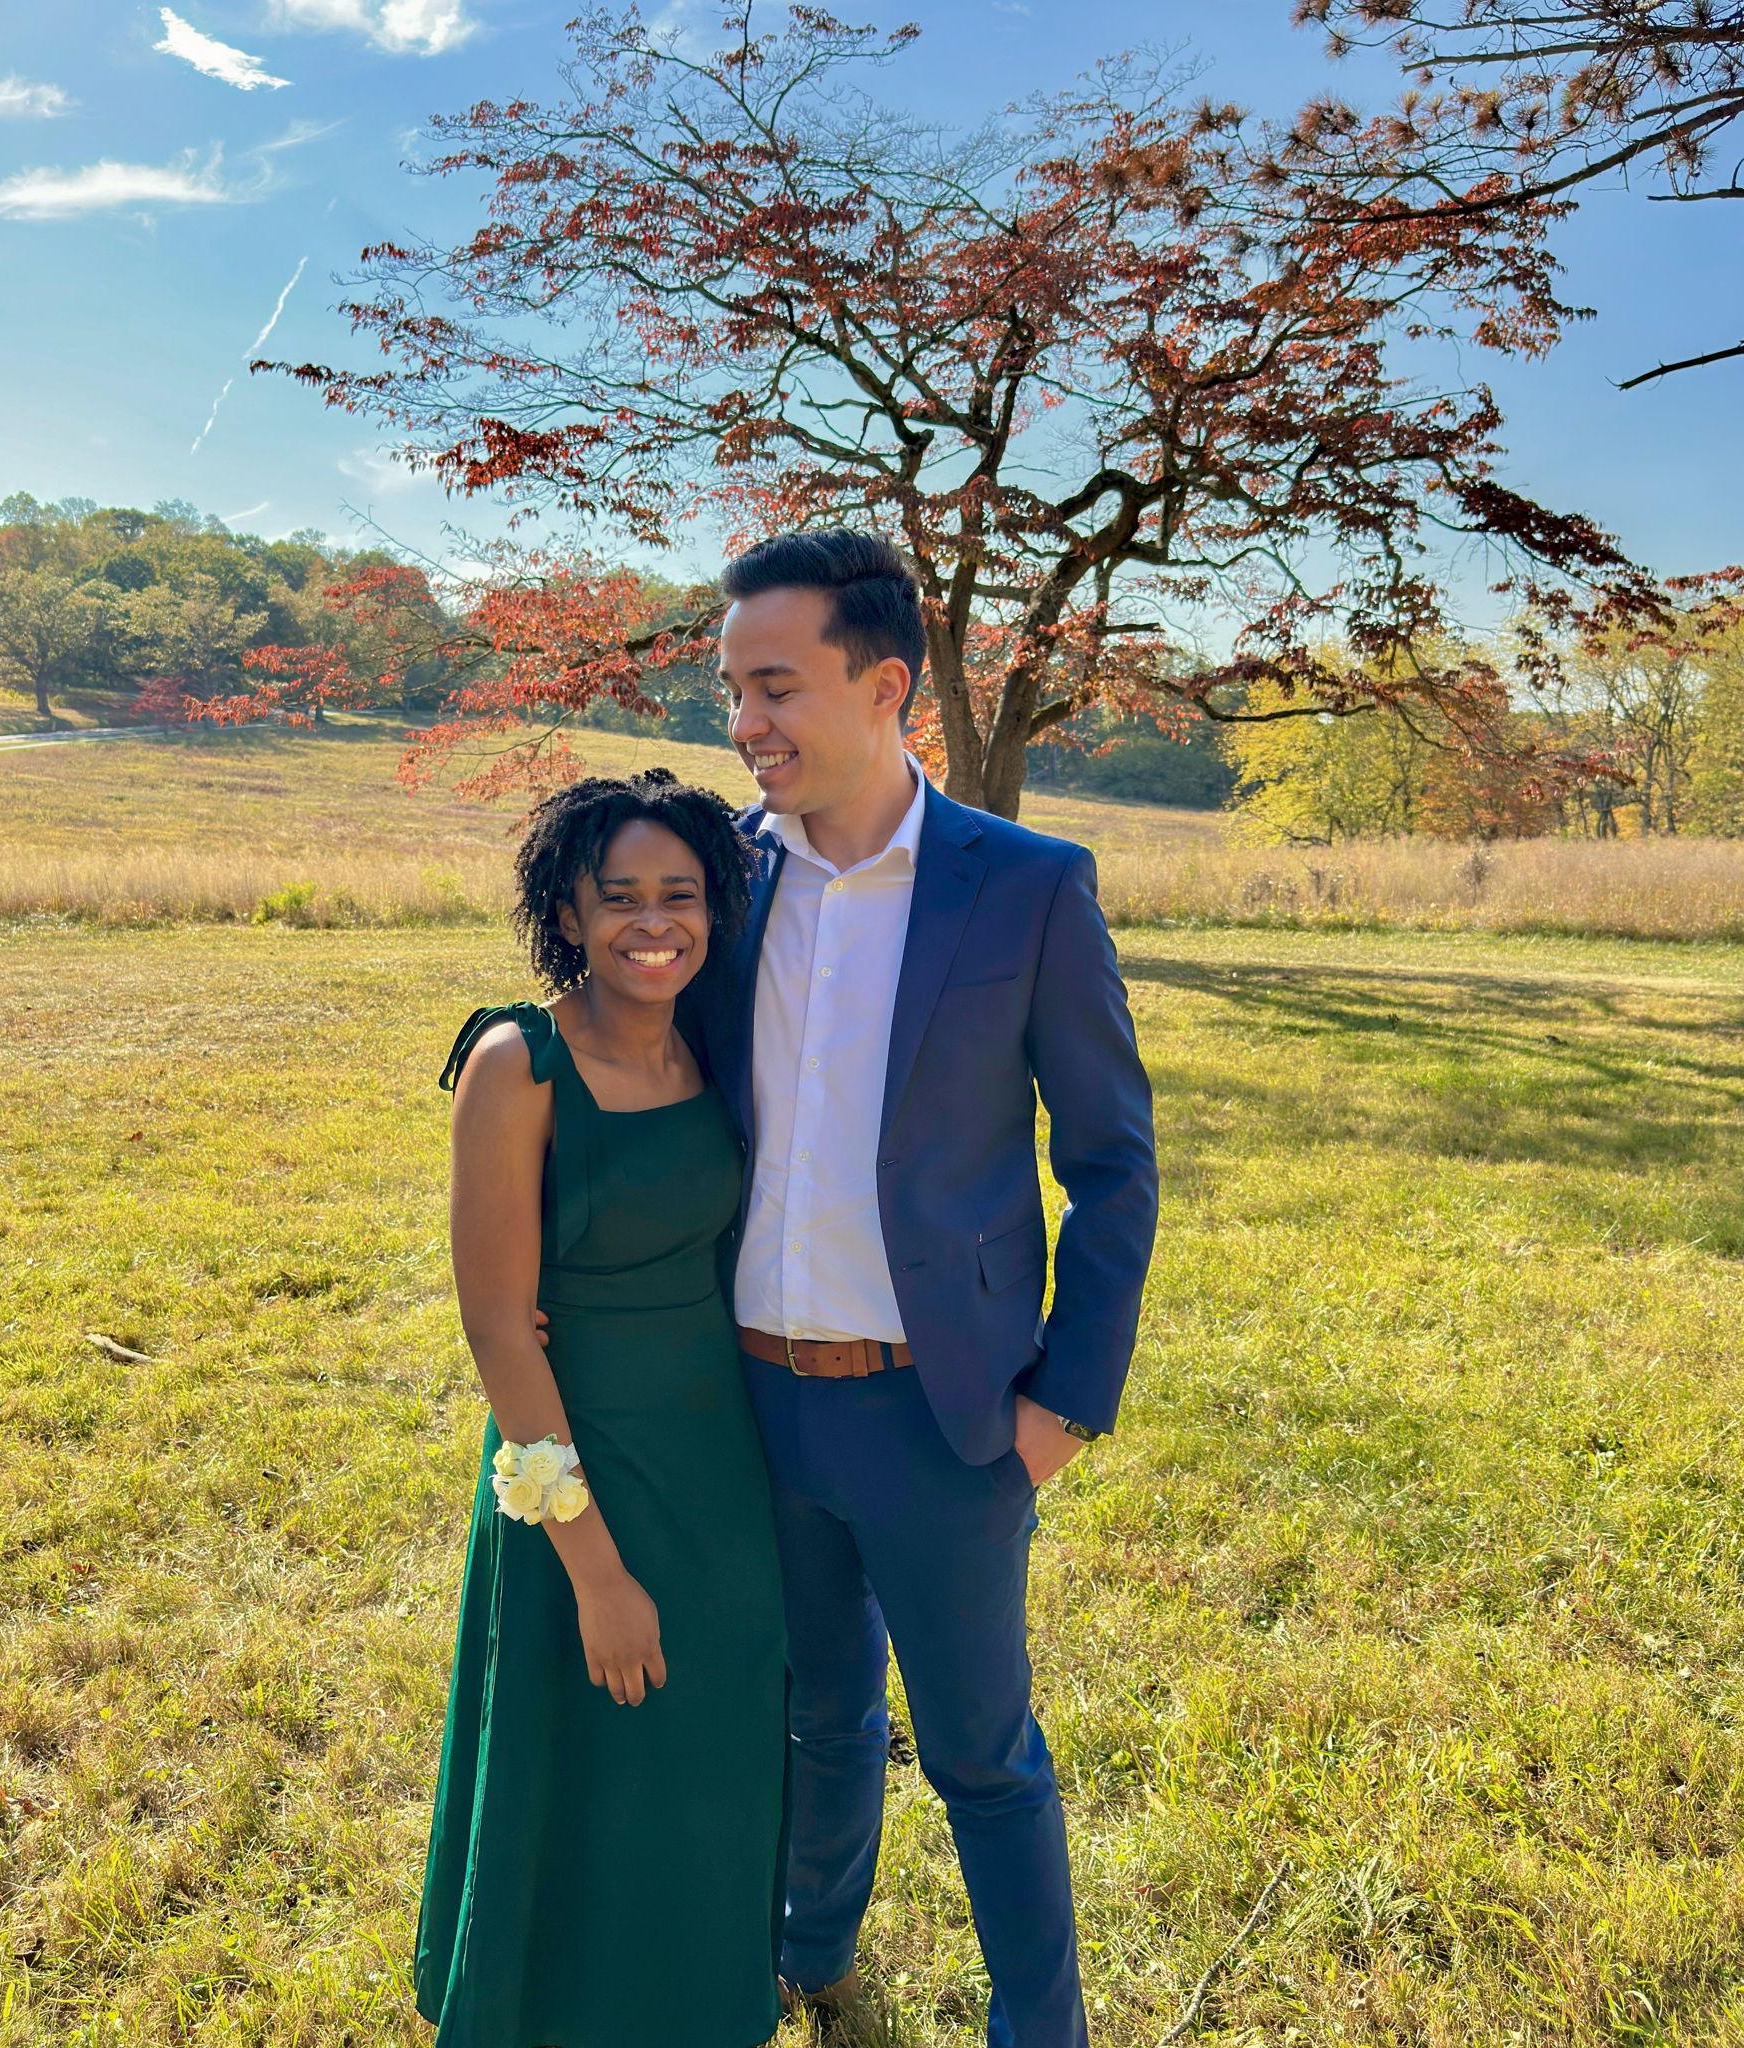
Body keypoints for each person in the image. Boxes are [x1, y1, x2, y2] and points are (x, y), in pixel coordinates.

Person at [686, 529, 1159, 2048]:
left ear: (885, 686)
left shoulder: (1025, 887)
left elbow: (1113, 1164)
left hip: (944, 1416)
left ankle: (1043, 2031)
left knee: (980, 1754)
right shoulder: (721, 878)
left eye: (775, 687)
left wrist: (1066, 1403)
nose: (744, 723)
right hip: (756, 1402)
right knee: (815, 1713)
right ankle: (806, 1956)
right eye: (731, 691)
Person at [413, 769, 787, 2048]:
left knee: (706, 1741)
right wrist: (594, 1569)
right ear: (566, 912)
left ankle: (699, 2007)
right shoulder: (516, 1062)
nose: (651, 921)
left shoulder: (708, 1042)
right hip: (573, 1460)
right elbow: (494, 1327)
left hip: (716, 1461)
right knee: (584, 1746)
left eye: (679, 893)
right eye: (618, 895)